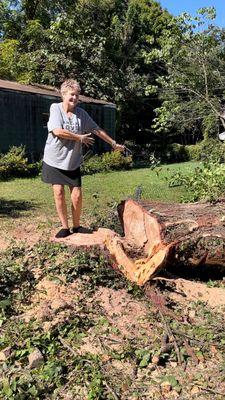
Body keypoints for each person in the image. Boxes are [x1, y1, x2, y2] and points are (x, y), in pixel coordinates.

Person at [42, 79, 124, 238]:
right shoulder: (55, 109)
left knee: (77, 194)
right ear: (64, 94)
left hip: (72, 161)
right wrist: (79, 137)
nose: (75, 98)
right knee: (58, 192)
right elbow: (57, 131)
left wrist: (113, 143)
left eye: (77, 95)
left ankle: (77, 226)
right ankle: (65, 227)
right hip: (54, 159)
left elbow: (96, 130)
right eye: (72, 95)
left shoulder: (81, 114)